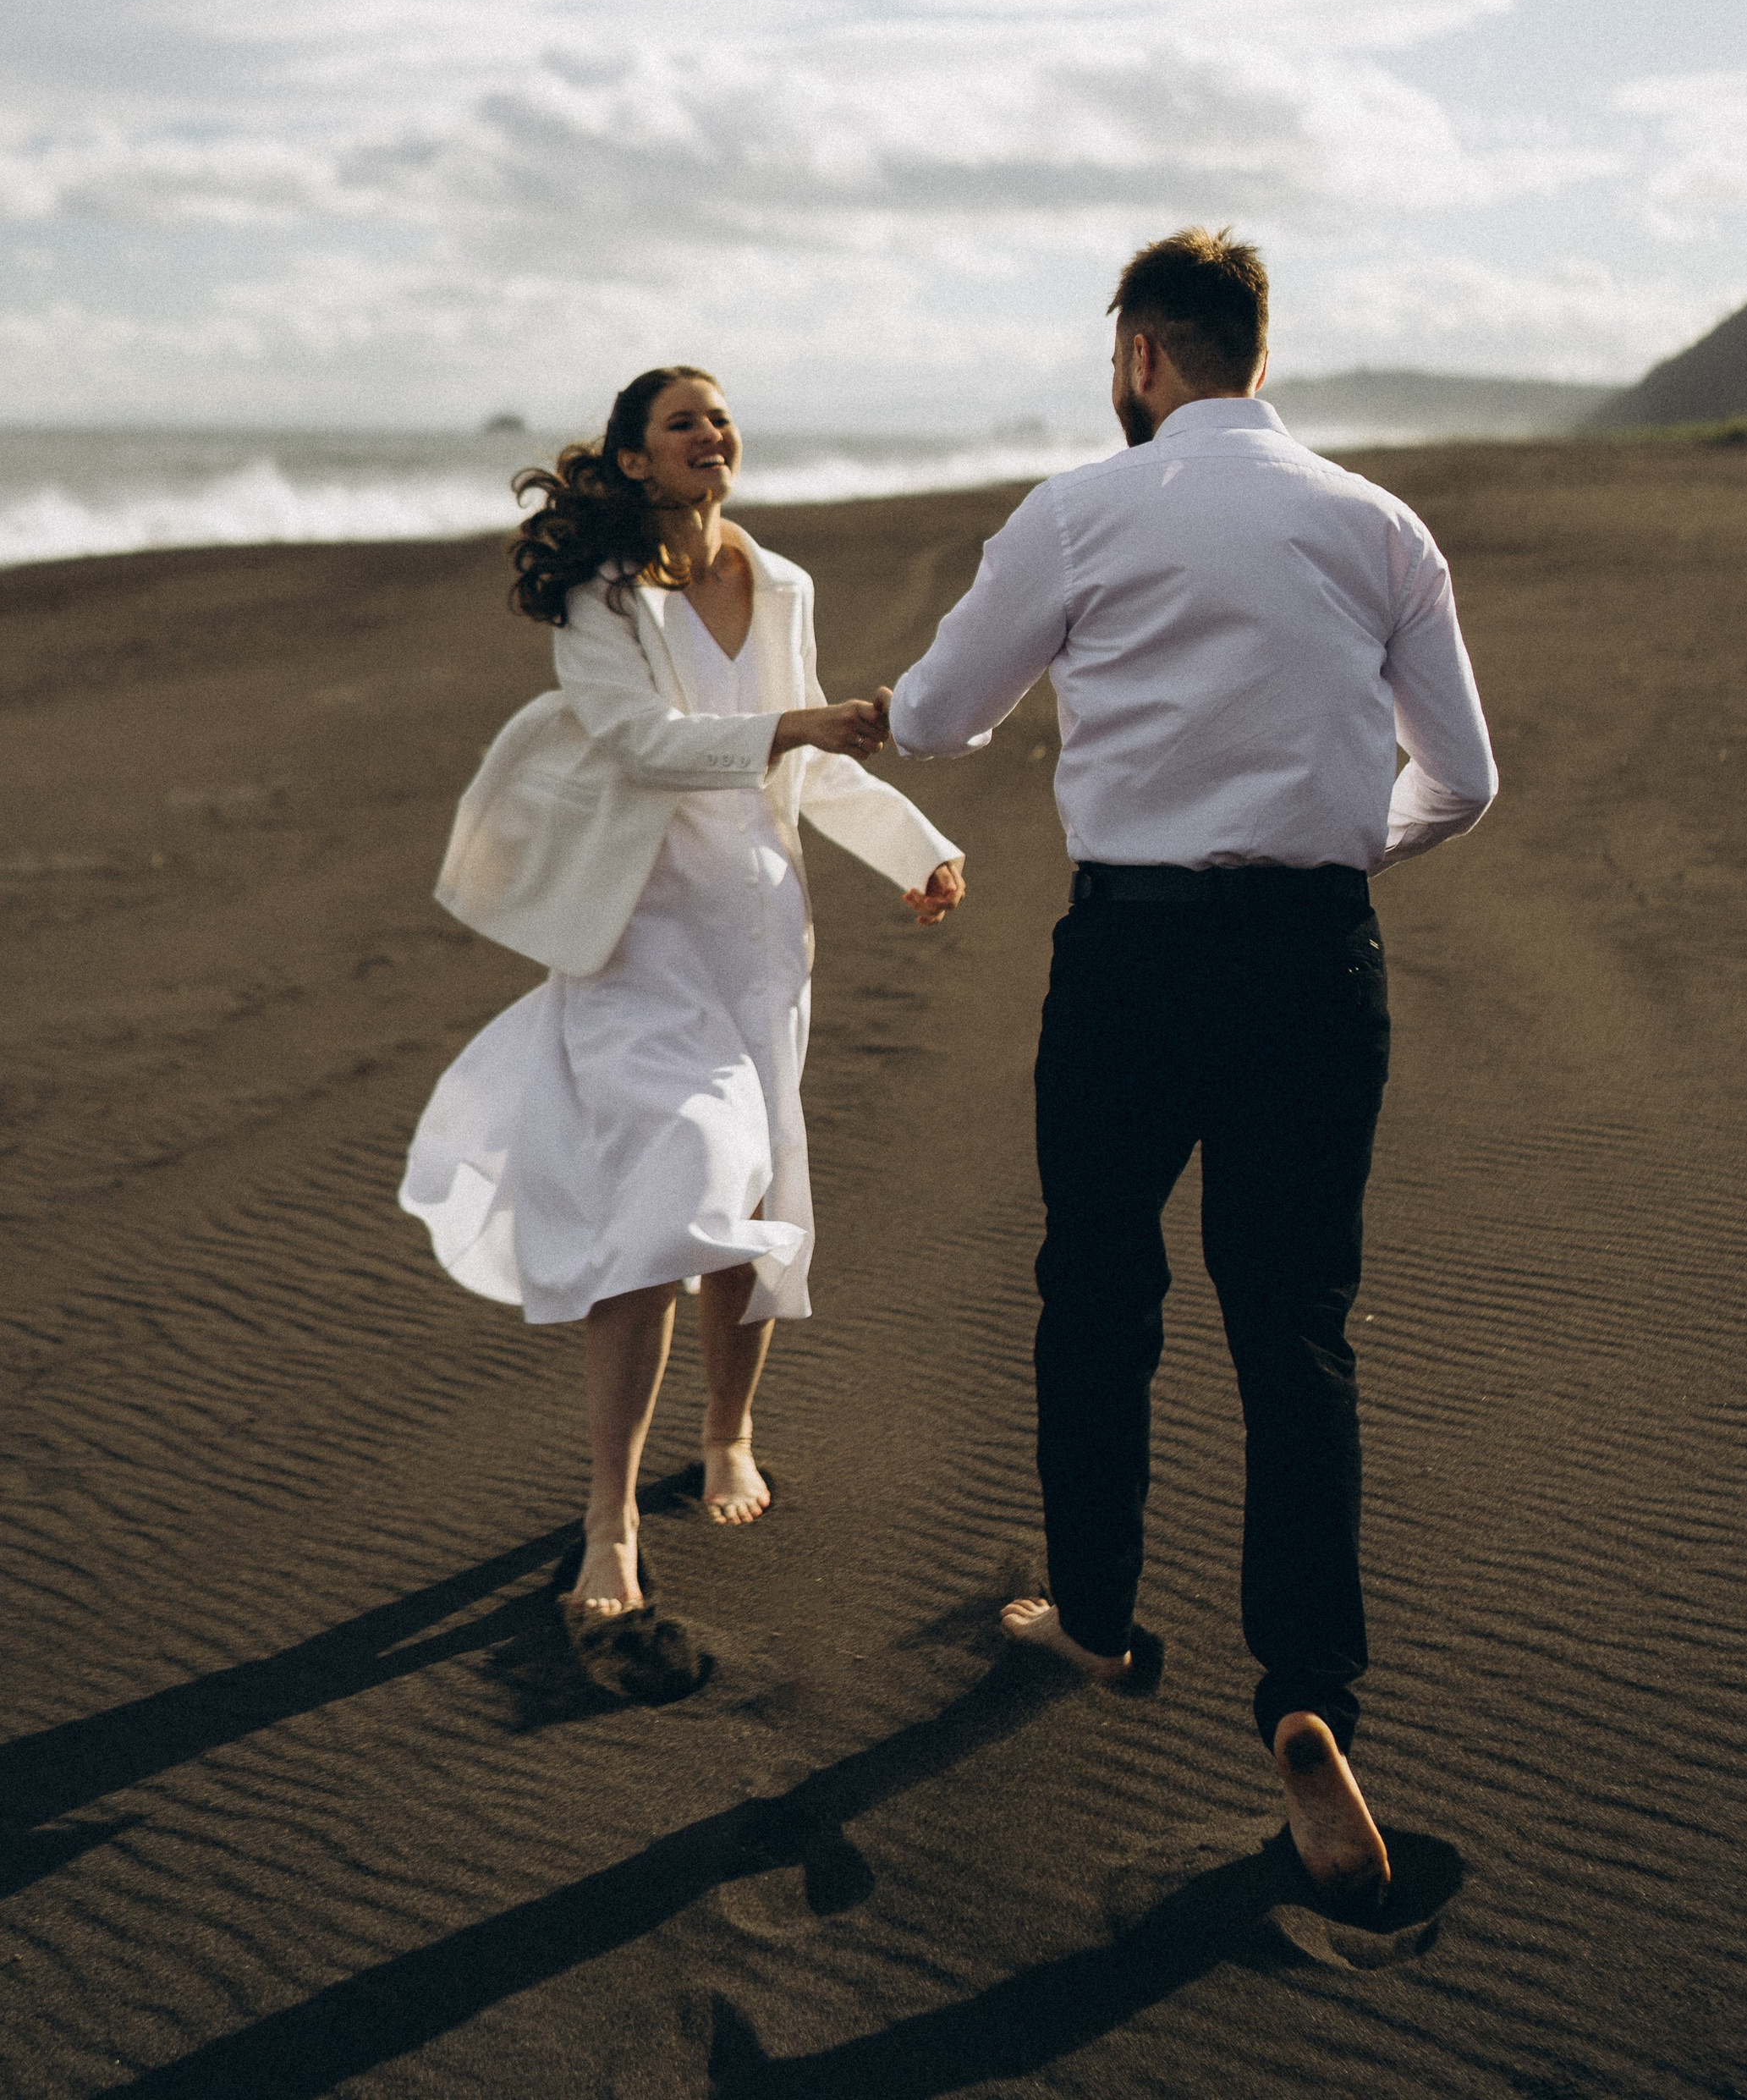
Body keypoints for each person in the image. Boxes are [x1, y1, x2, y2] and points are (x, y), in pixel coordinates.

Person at [879, 230, 1496, 1904]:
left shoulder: (1081, 509)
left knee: (1097, 1287)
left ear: (1144, 355)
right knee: (1293, 1325)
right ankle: (1307, 1695)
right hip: (1315, 962)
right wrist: (1323, 850)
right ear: (1257, 351)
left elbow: (936, 717)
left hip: (1133, 957)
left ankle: (1093, 1615)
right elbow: (1463, 779)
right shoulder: (1378, 523)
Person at [400, 366, 964, 1678]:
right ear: (634, 460)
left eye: (719, 416)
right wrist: (794, 722)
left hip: (756, 931)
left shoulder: (784, 583)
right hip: (641, 937)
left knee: (753, 1186)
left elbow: (808, 765)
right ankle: (608, 1517)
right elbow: (640, 742)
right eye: (681, 422)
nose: (711, 433)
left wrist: (916, 847)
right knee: (677, 1185)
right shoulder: (602, 599)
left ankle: (725, 1435)